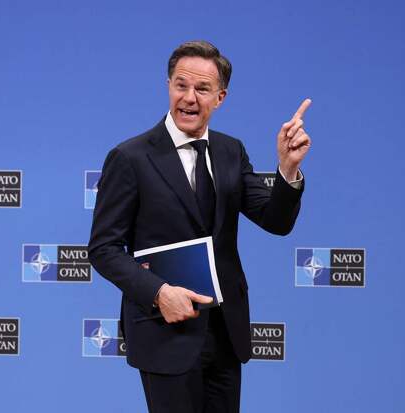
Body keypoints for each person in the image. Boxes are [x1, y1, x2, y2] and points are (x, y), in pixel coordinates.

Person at [88, 40, 311, 413]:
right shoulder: (130, 158)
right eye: (181, 85)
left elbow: (276, 221)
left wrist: (287, 170)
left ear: (220, 97)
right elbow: (103, 249)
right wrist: (159, 292)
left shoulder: (231, 151)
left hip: (225, 332)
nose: (189, 98)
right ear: (168, 86)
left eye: (202, 89)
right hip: (164, 329)